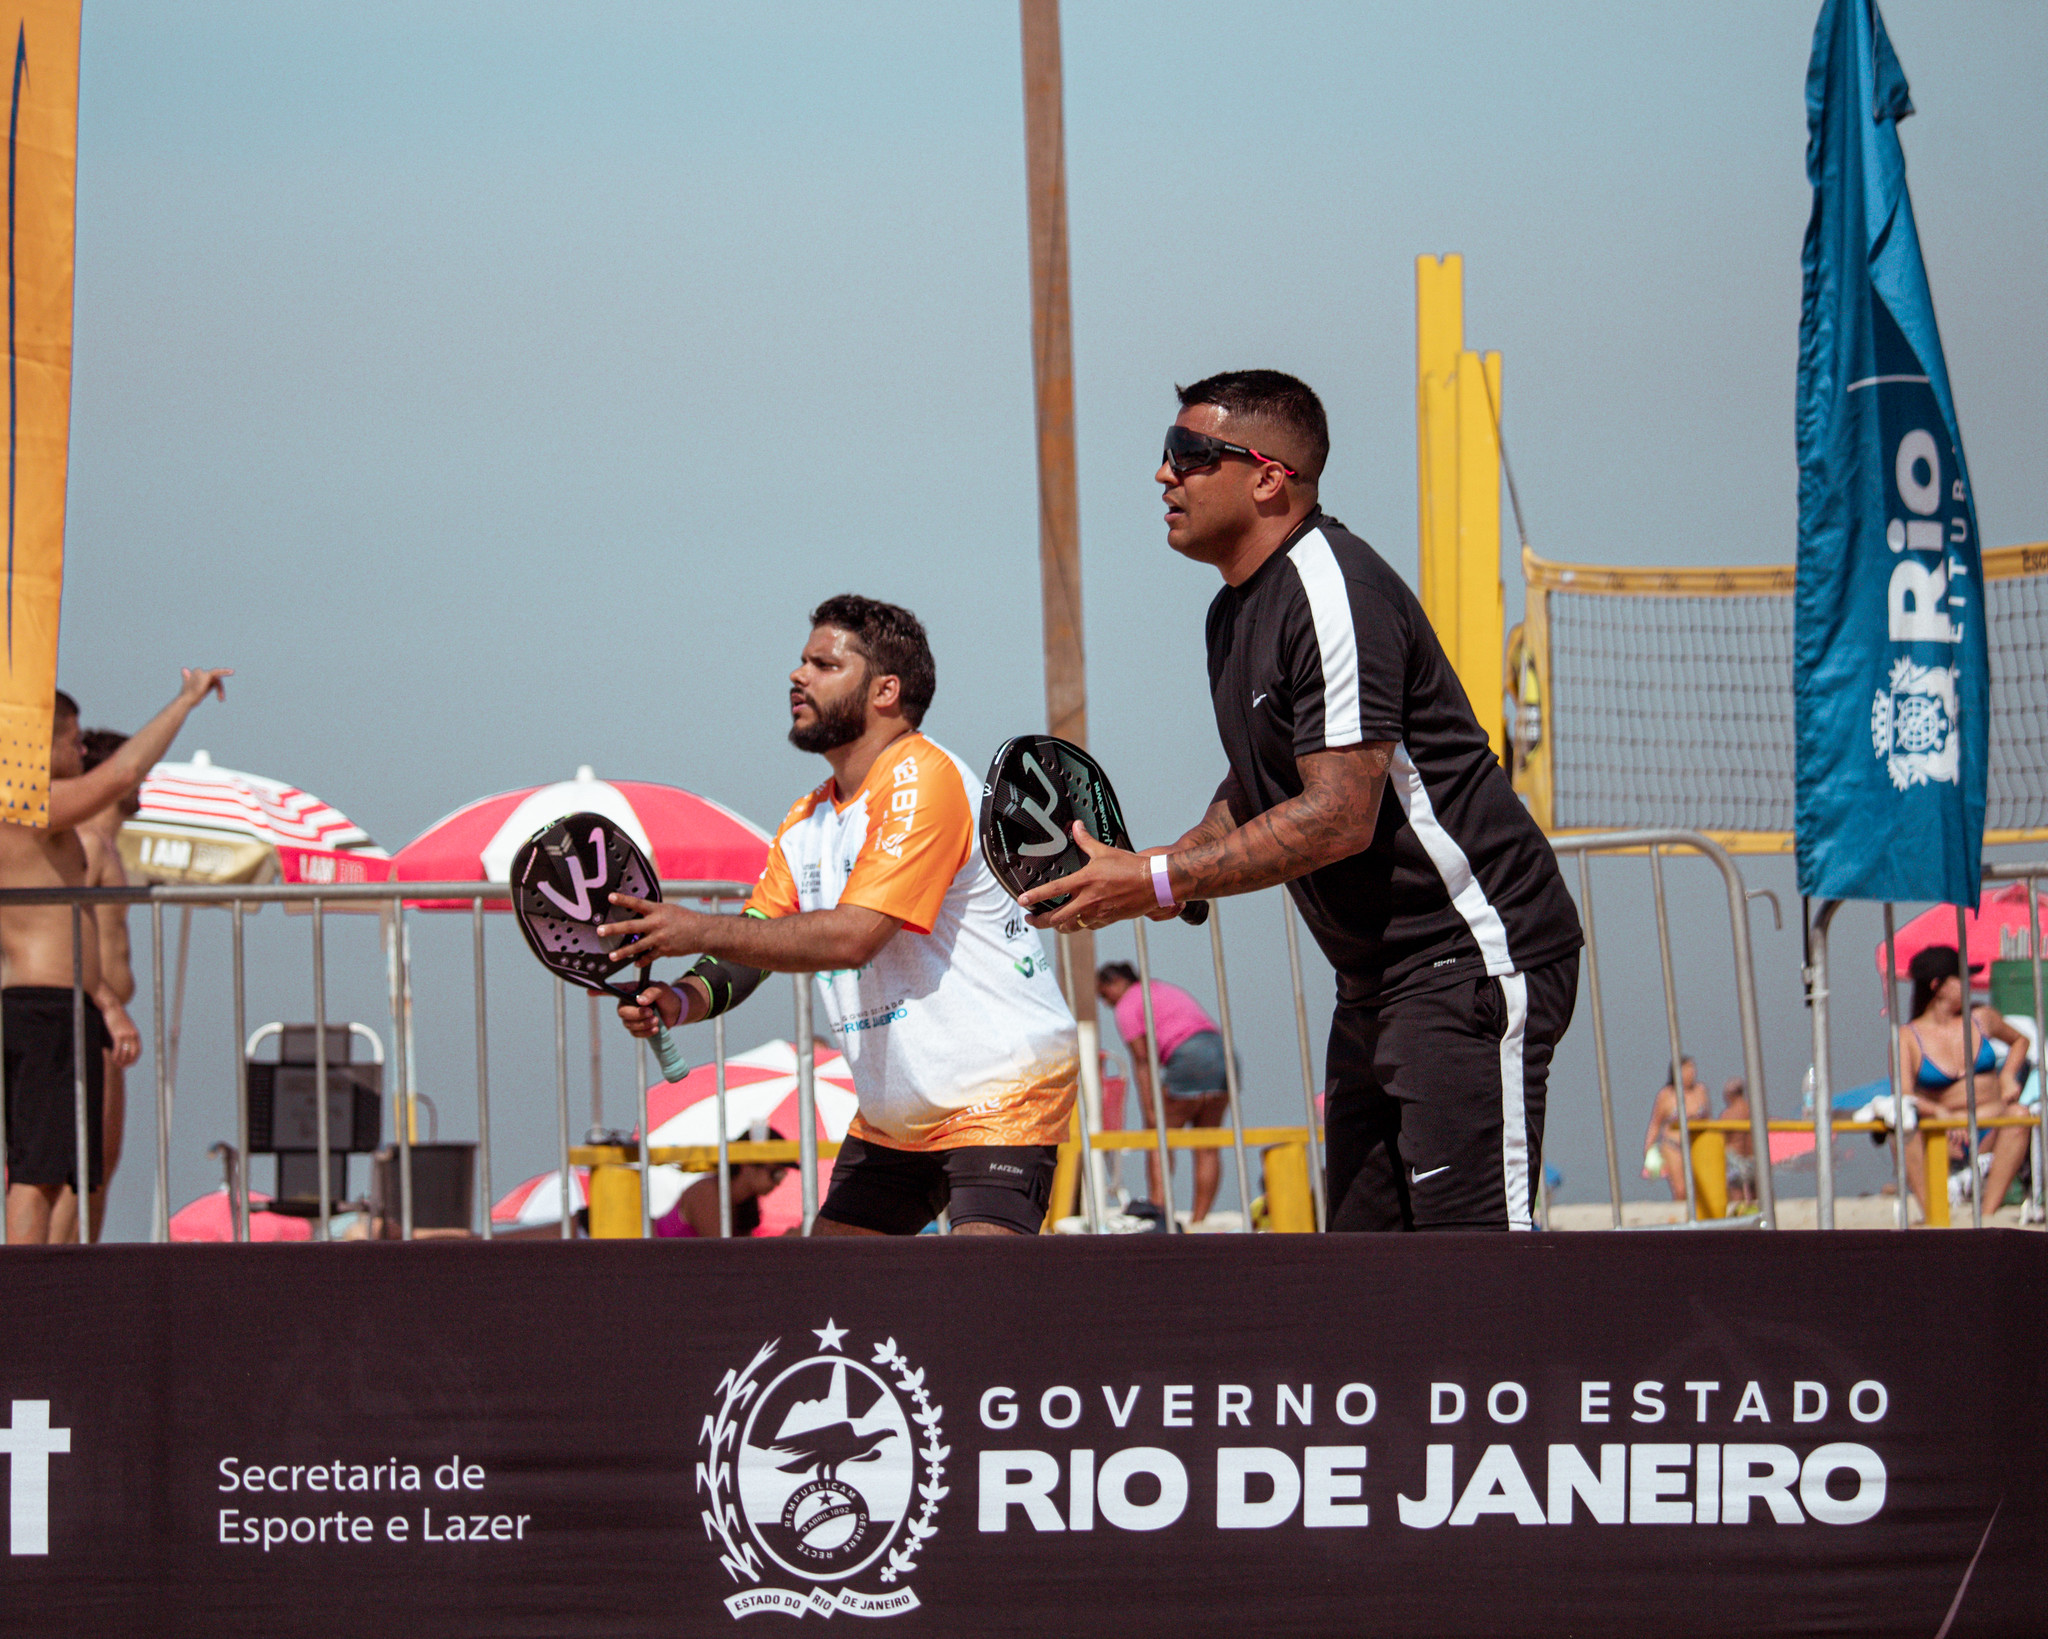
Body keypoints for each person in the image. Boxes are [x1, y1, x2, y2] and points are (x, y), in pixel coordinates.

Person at [1021, 370, 1582, 1232]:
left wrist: (1164, 879)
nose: (1163, 476)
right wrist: (1155, 872)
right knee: (1360, 1277)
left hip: (1470, 953)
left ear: (1269, 476)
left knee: (1476, 1274)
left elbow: (1338, 813)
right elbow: (1256, 788)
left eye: (1188, 454)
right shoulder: (1233, 615)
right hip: (1376, 982)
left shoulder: (1332, 587)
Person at [604, 596, 1077, 1237]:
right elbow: (754, 942)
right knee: (825, 1302)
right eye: (801, 662)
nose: (797, 677)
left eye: (823, 664)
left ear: (886, 690)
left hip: (1002, 1091)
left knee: (980, 1303)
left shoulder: (923, 777)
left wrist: (692, 926)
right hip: (896, 1115)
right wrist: (679, 1000)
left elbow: (856, 937)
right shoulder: (806, 818)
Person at [2, 669, 229, 1244]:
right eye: (71, 740)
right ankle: (25, 1304)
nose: (80, 751)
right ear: (39, 743)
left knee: (64, 1173)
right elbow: (125, 771)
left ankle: (49, 1297)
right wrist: (184, 701)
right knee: (36, 1174)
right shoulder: (26, 807)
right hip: (41, 1006)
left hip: (57, 1005)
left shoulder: (43, 816)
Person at [47, 730, 143, 1244]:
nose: (140, 781)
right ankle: (58, 1282)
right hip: (88, 1010)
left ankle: (79, 1274)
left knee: (99, 1164)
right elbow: (67, 934)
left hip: (102, 1015)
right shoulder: (83, 842)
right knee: (76, 1166)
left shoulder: (104, 846)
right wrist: (108, 1005)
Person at [1094, 961, 1234, 1223]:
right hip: (1221, 1054)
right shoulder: (1161, 989)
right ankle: (1199, 1221)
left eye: (1103, 994)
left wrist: (1149, 1109)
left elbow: (1142, 1060)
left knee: (1158, 1138)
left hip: (1189, 1057)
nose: (1105, 1002)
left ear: (1116, 983)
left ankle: (1158, 1212)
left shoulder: (1127, 1005)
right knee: (1207, 1145)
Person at [1897, 944, 2029, 1219]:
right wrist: (1940, 1112)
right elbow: (1904, 1094)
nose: (1969, 985)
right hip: (1946, 1134)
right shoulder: (1908, 1037)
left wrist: (2007, 1076)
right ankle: (1933, 1217)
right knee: (1902, 1127)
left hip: (1990, 1127)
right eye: (1962, 979)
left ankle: (1987, 1215)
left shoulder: (1981, 1019)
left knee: (2020, 1115)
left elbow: (2020, 1041)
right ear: (1938, 985)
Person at [655, 1138, 792, 1239]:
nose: (778, 1183)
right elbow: (725, 1254)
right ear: (747, 1165)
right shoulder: (706, 1191)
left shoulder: (744, 1204)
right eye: (775, 1174)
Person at [1641, 1056, 1708, 1201]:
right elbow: (1655, 1123)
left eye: (1692, 1068)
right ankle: (1683, 1216)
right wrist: (1648, 1147)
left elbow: (1707, 1119)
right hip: (1673, 1145)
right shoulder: (1666, 1095)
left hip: (1696, 1144)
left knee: (1699, 1187)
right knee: (1680, 1189)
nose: (1691, 1072)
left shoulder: (1700, 1091)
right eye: (1687, 1069)